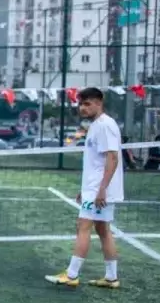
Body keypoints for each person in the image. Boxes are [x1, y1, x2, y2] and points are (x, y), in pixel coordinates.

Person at [46, 87, 123, 289]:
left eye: (87, 103)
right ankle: (111, 277)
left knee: (83, 226)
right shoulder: (96, 126)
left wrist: (101, 190)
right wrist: (87, 189)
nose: (83, 108)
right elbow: (97, 162)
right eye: (81, 104)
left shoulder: (105, 125)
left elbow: (112, 158)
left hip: (100, 189)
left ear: (99, 102)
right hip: (95, 188)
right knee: (103, 229)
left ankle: (71, 275)